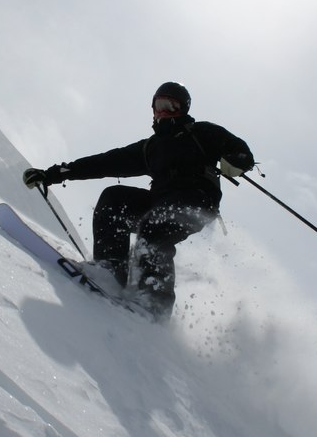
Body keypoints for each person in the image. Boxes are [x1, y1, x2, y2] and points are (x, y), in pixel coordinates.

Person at [23, 82, 254, 320]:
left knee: (155, 226)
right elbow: (105, 162)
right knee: (114, 198)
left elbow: (239, 149)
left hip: (195, 201)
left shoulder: (201, 133)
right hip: (160, 201)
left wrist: (236, 160)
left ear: (183, 109)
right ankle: (111, 271)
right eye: (159, 105)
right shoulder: (150, 148)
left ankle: (155, 303)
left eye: (171, 105)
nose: (163, 111)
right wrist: (53, 173)